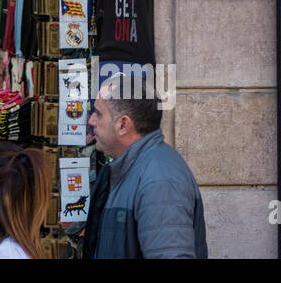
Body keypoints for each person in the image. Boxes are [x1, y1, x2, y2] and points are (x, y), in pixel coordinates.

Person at [84, 71, 207, 258]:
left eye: (98, 114)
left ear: (123, 125)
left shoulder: (160, 180)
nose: (91, 121)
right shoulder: (129, 169)